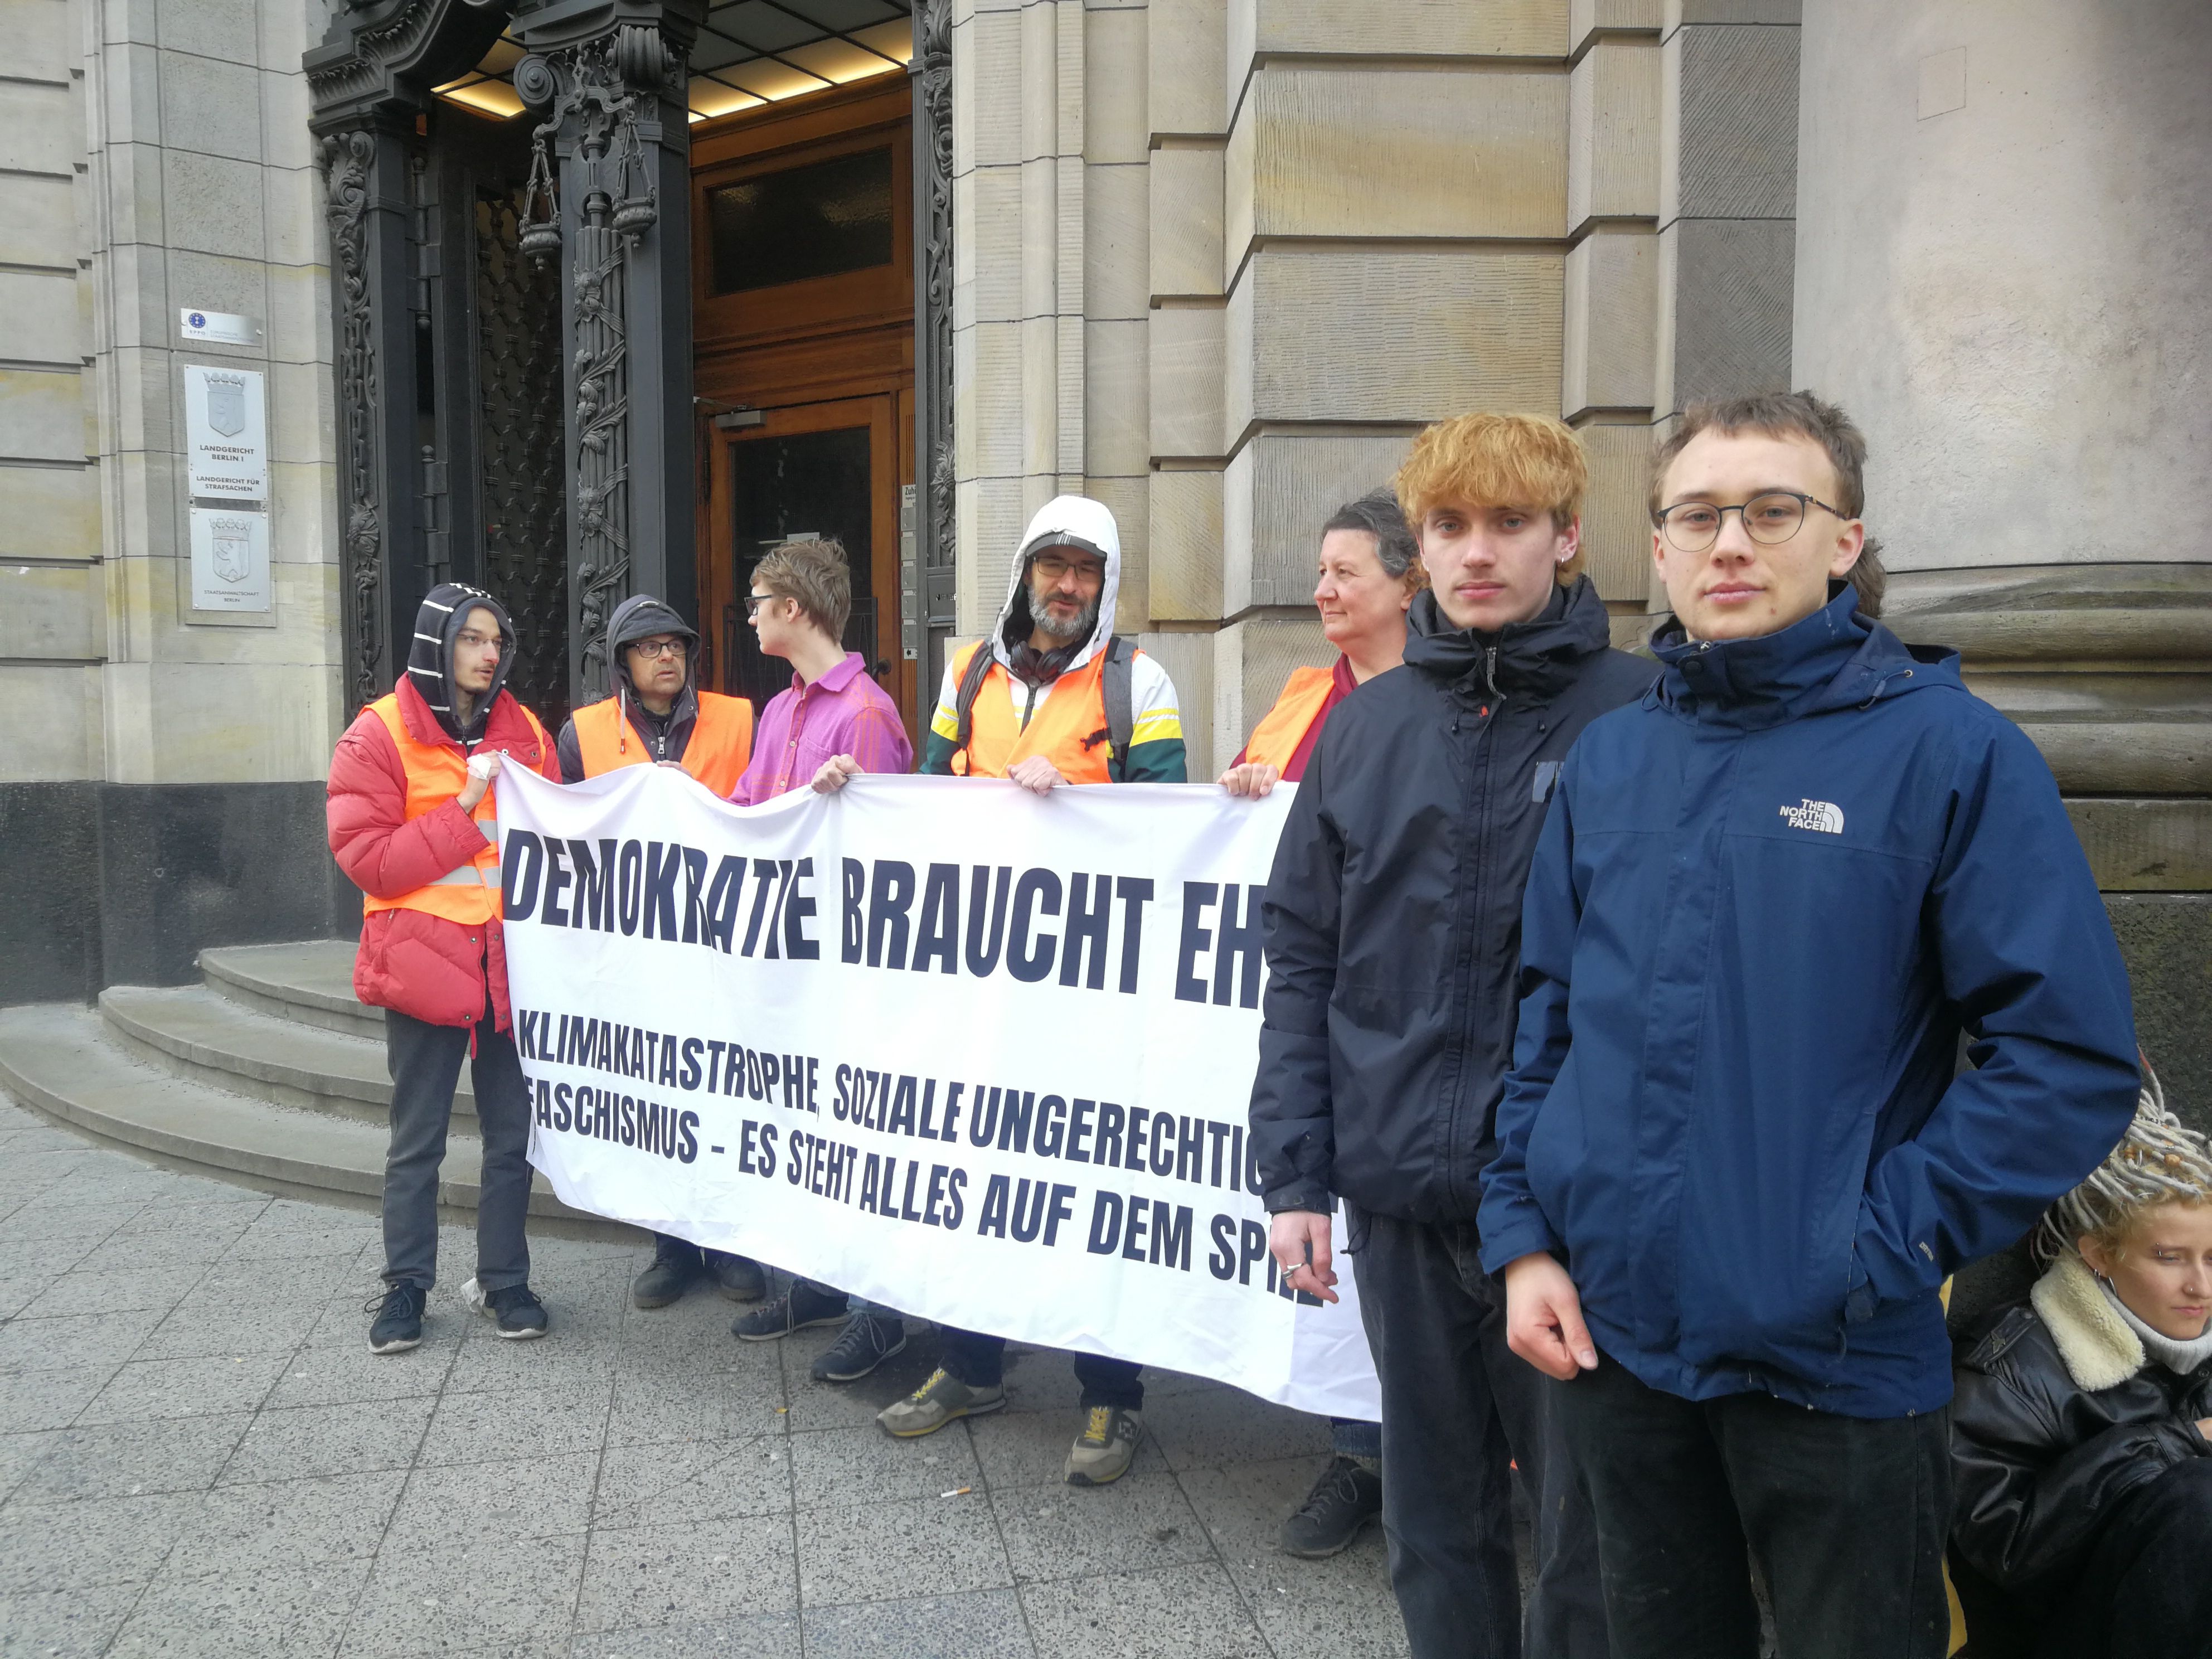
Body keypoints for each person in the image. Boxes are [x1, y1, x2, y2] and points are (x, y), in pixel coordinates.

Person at [1481, 390, 2141, 1659]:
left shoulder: (1948, 754)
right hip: (1613, 1344)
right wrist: (1522, 1238)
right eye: (1695, 514)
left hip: (1830, 1362)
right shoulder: (1611, 761)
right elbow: (1547, 1018)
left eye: (1769, 510)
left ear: (1840, 539)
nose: (1728, 543)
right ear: (1657, 549)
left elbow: (2062, 1059)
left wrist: (1868, 1242)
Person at [1249, 415, 1648, 1657]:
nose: (1479, 553)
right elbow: (1304, 958)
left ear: (1567, 537)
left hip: (1578, 1213)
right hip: (1404, 1201)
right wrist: (1295, 1176)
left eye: (1510, 524)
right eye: (1450, 527)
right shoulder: (1362, 729)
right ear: (1420, 549)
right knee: (1434, 1522)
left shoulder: (1641, 715)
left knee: (1589, 1539)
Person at [824, 493, 1185, 1484]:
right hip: (981, 988)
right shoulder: (966, 673)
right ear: (1026, 571)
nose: (1066, 587)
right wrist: (860, 789)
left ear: (1104, 586)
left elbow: (1173, 832)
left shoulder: (1137, 683)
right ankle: (968, 1364)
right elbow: (928, 797)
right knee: (974, 1176)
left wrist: (1073, 808)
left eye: (1086, 572)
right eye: (1052, 566)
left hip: (1089, 995)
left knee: (1091, 1188)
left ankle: (1112, 1397)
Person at [1219, 487, 1425, 1559]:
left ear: (1406, 581)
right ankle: (1358, 1453)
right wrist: (1243, 788)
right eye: (1320, 571)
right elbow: (1255, 817)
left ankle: (1429, 1462)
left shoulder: (1444, 699)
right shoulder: (1305, 693)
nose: (1323, 589)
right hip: (1316, 1010)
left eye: (1346, 571)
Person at [327, 583, 561, 1352]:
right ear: (438, 644)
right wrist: (462, 808)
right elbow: (371, 862)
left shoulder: (525, 728)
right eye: (472, 639)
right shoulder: (378, 734)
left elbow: (558, 839)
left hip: (506, 962)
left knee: (511, 1135)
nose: (489, 654)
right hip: (424, 965)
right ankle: (405, 1289)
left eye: (496, 641)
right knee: (417, 1137)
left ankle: (505, 1281)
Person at [720, 540, 916, 1383]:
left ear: (794, 609)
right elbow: (745, 813)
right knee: (804, 1128)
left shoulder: (865, 714)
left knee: (859, 1131)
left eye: (760, 600)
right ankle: (819, 1283)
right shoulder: (779, 711)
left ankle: (880, 1310)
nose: (753, 613)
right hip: (790, 963)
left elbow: (886, 859)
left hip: (848, 975)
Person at [1949, 1063, 2212, 1659]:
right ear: (2098, 1256)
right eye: (2169, 1258)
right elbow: (2004, 1549)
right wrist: (2180, 1442)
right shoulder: (2014, 1364)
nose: (2199, 1286)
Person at [556, 591, 767, 1312]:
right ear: (623, 663)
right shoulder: (581, 735)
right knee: (661, 1101)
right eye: (651, 648)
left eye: (676, 645)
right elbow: (565, 842)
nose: (668, 656)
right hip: (638, 951)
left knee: (729, 1094)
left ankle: (733, 1245)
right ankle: (672, 1247)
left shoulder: (740, 717)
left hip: (725, 945)